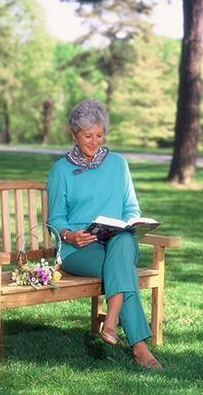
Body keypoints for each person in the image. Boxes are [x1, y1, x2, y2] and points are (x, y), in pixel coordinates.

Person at [47, 99, 163, 371]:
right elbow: (55, 218)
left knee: (122, 242)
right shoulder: (61, 170)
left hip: (117, 241)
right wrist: (69, 236)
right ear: (74, 134)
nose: (94, 141)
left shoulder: (118, 164)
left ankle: (112, 323)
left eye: (99, 135)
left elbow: (131, 208)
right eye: (88, 136)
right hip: (79, 250)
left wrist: (129, 223)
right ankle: (138, 347)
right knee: (124, 271)